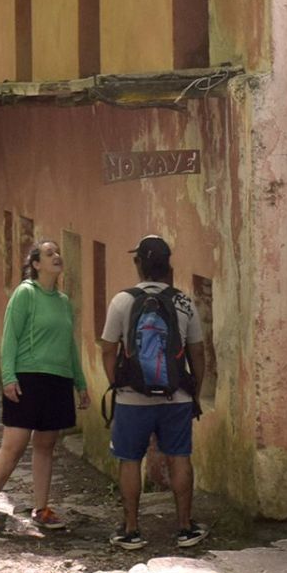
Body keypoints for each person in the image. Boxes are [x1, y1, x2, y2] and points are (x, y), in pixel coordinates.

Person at [0, 240, 89, 535]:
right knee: (13, 446)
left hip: (58, 380)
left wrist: (81, 382)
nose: (57, 256)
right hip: (28, 378)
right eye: (50, 254)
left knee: (46, 445)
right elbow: (10, 337)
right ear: (36, 264)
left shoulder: (62, 301)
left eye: (57, 252)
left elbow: (69, 344)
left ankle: (41, 508)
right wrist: (9, 377)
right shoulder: (25, 293)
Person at [100, 234, 207, 550]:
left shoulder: (122, 301)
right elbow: (198, 353)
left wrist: (117, 382)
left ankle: (132, 530)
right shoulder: (183, 301)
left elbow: (108, 349)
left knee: (130, 460)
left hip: (132, 399)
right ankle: (185, 528)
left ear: (139, 265)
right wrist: (194, 392)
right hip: (176, 397)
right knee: (179, 458)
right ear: (167, 266)